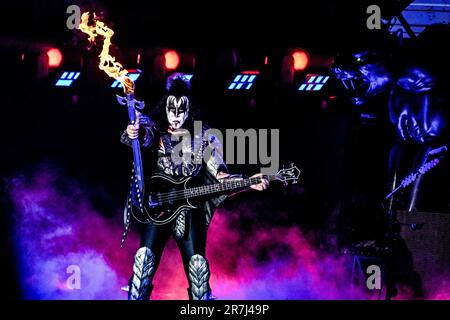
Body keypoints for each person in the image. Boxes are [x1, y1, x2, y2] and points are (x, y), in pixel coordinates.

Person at [120, 73, 268, 300]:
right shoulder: (154, 129)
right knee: (143, 264)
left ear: (190, 109)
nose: (176, 115)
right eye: (172, 109)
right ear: (165, 107)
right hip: (158, 206)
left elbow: (220, 174)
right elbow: (141, 136)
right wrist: (134, 133)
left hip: (190, 210)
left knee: (198, 271)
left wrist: (248, 181)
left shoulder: (205, 136)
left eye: (181, 109)